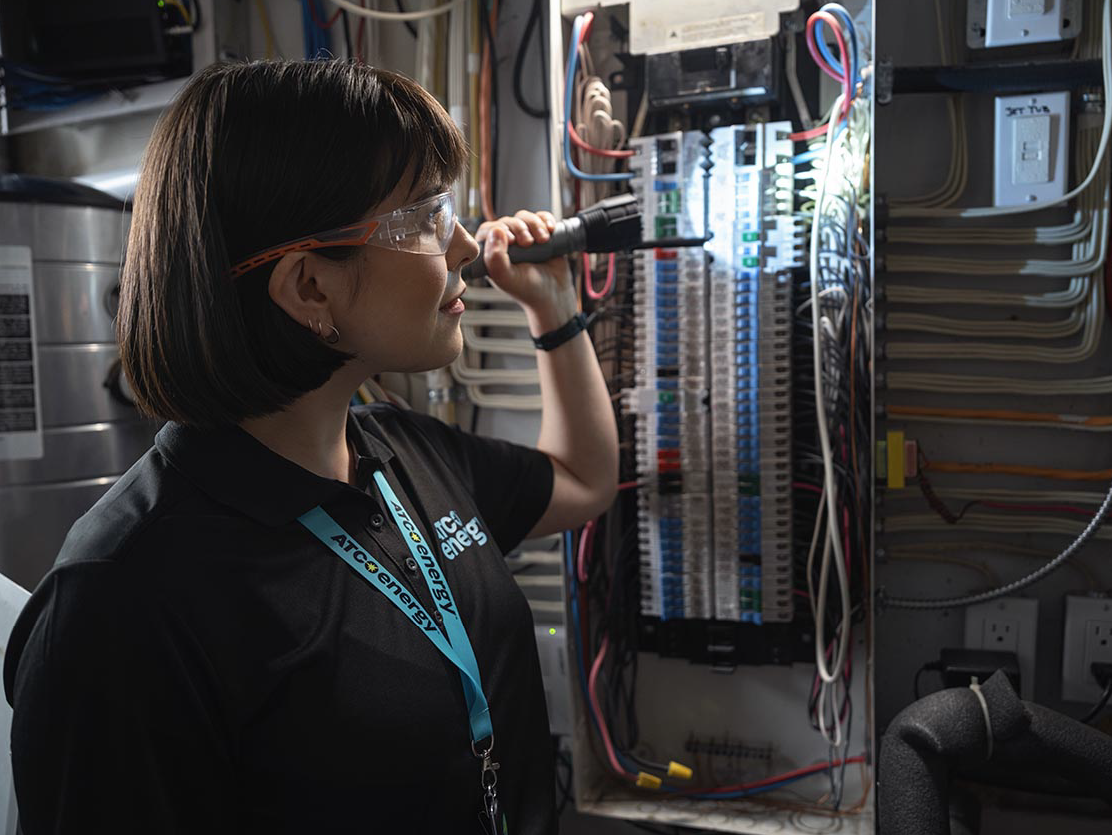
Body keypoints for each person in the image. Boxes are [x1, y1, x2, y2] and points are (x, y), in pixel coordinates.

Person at [3, 60, 617, 834]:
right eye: (426, 215)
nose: (463, 243)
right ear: (309, 290)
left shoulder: (402, 451)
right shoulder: (122, 606)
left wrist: (556, 314)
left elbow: (582, 479)